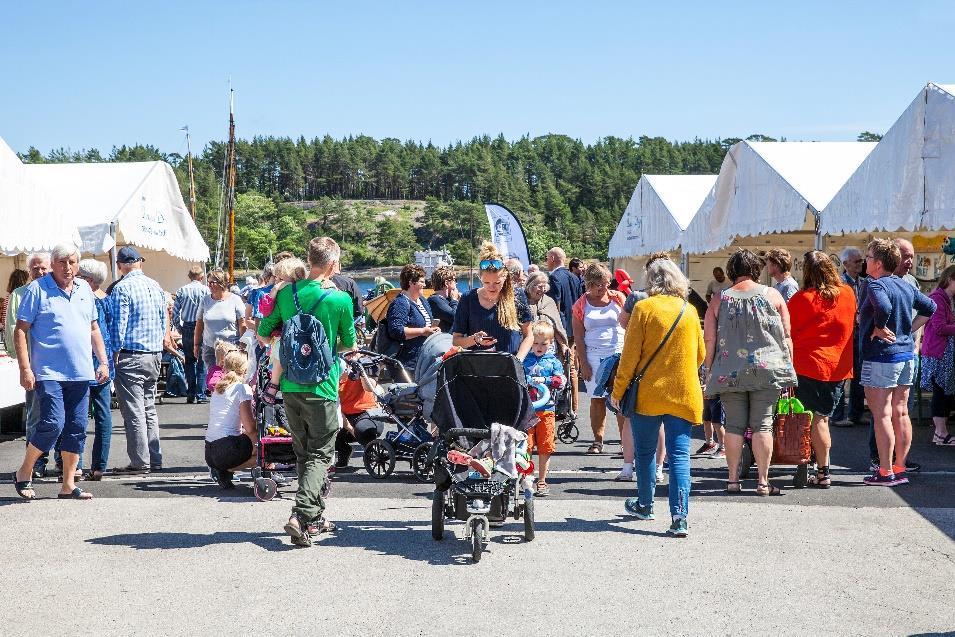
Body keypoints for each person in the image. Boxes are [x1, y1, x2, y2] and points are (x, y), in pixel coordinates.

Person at [257, 236, 356, 547]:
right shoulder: (340, 300)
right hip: (322, 386)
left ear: (309, 260)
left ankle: (315, 519)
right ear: (332, 264)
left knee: (304, 453)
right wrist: (327, 344)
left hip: (290, 386)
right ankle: (300, 515)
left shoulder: (288, 292)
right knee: (320, 454)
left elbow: (262, 331)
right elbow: (349, 344)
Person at [610, 258, 703, 536]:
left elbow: (629, 357)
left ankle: (645, 504)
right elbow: (700, 355)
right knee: (679, 456)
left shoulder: (643, 308)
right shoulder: (689, 310)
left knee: (646, 452)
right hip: (683, 393)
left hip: (648, 395)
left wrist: (618, 391)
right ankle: (679, 518)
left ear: (651, 281)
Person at [13, 244, 109, 500]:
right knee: (52, 423)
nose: (68, 267)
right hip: (49, 372)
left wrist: (103, 361)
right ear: (53, 264)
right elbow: (20, 330)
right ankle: (25, 470)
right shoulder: (37, 289)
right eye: (62, 262)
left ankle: (68, 484)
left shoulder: (85, 291)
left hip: (80, 371)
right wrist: (25, 368)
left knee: (77, 427)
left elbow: (93, 328)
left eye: (72, 262)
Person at [704, 249, 797, 495]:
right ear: (757, 269)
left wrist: (708, 373)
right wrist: (789, 370)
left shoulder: (718, 299)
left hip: (729, 371)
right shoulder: (774, 295)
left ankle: (733, 480)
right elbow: (787, 337)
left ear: (732, 270)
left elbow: (710, 341)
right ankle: (763, 482)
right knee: (763, 426)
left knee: (733, 425)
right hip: (767, 370)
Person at [859, 239, 935, 486]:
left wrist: (880, 327)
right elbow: (930, 306)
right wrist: (909, 330)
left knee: (882, 414)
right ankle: (899, 467)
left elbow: (883, 305)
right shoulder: (905, 286)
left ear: (878, 263)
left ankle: (885, 471)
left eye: (868, 257)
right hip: (905, 355)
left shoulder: (876, 285)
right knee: (901, 412)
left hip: (881, 356)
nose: (866, 261)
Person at [787, 250, 857, 488]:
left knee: (808, 419)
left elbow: (788, 333)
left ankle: (812, 466)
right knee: (822, 419)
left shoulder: (801, 299)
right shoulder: (848, 294)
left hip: (807, 365)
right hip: (837, 367)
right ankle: (823, 469)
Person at [109, 246, 167, 474]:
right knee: (148, 409)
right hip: (153, 355)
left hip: (132, 355)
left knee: (134, 411)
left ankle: (140, 461)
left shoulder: (122, 288)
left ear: (120, 265)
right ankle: (154, 458)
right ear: (139, 262)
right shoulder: (155, 285)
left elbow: (118, 327)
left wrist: (113, 356)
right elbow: (164, 321)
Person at [573, 263, 634, 481]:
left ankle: (623, 442)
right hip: (593, 356)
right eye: (598, 285)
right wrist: (584, 364)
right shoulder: (581, 304)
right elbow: (578, 337)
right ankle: (597, 440)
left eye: (606, 283)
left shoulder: (618, 298)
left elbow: (631, 325)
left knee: (620, 400)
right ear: (589, 285)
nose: (603, 288)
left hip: (618, 355)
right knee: (597, 399)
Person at [5, 254, 50, 477]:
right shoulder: (19, 294)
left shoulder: (56, 291)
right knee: (35, 414)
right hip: (32, 363)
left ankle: (60, 459)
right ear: (29, 270)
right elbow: (13, 326)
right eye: (35, 268)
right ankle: (35, 463)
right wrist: (21, 362)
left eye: (43, 268)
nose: (40, 272)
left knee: (57, 414)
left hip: (54, 364)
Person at [452, 242, 534, 358]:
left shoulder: (517, 296)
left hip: (509, 368)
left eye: (497, 282)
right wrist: (474, 339)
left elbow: (529, 335)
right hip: (477, 367)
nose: (492, 287)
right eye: (486, 282)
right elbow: (456, 340)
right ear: (480, 278)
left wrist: (518, 360)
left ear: (505, 277)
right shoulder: (468, 298)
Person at [76, 259, 115, 481]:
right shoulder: (107, 300)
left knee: (79, 415)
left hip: (85, 360)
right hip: (104, 360)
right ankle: (99, 466)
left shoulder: (81, 299)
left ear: (88, 280)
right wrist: (110, 359)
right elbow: (116, 332)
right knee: (103, 415)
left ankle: (77, 465)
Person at [257, 257, 311, 403]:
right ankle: (274, 382)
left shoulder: (284, 293)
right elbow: (264, 308)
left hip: (287, 334)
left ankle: (274, 383)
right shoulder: (308, 289)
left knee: (280, 349)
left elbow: (266, 315)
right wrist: (274, 291)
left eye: (280, 277)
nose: (276, 281)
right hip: (293, 335)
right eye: (276, 277)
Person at [523, 320, 566, 497]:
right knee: (526, 445)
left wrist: (547, 381)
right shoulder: (525, 359)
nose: (539, 347)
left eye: (544, 343)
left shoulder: (553, 361)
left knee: (545, 445)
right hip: (527, 410)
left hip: (547, 409)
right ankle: (525, 477)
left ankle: (542, 480)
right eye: (536, 343)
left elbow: (561, 381)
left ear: (550, 344)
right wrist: (527, 380)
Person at [204, 350, 258, 489]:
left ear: (224, 367)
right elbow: (250, 427)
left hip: (209, 452)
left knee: (245, 437)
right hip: (226, 450)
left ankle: (222, 472)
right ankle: (228, 470)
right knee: (262, 451)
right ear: (245, 370)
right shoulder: (242, 388)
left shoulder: (219, 388)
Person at [832, 246, 868, 427]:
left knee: (859, 375)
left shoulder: (864, 283)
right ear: (845, 264)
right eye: (857, 261)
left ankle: (856, 413)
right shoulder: (838, 285)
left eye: (862, 260)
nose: (861, 264)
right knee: (840, 376)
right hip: (844, 336)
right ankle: (837, 416)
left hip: (860, 335)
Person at [921, 265, 955, 445]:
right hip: (937, 353)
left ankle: (940, 433)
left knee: (946, 393)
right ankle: (941, 433)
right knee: (940, 392)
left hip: (946, 354)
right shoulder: (937, 299)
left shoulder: (949, 299)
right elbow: (939, 327)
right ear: (950, 279)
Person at [546, 247, 583, 414]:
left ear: (553, 258)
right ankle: (574, 406)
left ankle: (563, 407)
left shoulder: (554, 277)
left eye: (547, 258)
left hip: (562, 330)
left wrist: (556, 332)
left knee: (561, 367)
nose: (546, 262)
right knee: (572, 367)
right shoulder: (575, 277)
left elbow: (555, 306)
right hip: (575, 327)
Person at [386, 264, 439, 370]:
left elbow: (428, 323)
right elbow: (396, 330)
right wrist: (422, 331)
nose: (424, 285)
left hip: (424, 360)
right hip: (407, 363)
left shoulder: (423, 300)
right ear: (411, 282)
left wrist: (433, 329)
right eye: (421, 282)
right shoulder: (400, 303)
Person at [194, 269, 246, 372]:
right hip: (210, 348)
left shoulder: (235, 300)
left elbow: (242, 324)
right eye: (208, 282)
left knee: (230, 379)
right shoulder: (205, 300)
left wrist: (242, 345)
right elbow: (199, 325)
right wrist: (196, 344)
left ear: (222, 283)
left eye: (212, 282)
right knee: (213, 381)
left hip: (231, 348)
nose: (209, 285)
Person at [173, 265, 210, 404]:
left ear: (189, 276)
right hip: (203, 326)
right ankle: (200, 394)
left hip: (187, 326)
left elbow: (175, 312)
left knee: (189, 361)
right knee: (202, 361)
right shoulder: (206, 290)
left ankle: (191, 392)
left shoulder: (182, 290)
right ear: (201, 277)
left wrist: (179, 327)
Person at [524, 271, 568, 353]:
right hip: (527, 350)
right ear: (530, 286)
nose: (543, 290)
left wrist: (562, 345)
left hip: (548, 350)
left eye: (544, 287)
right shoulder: (521, 302)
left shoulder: (548, 302)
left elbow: (555, 326)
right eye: (540, 287)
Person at [427, 265, 460, 333]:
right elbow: (455, 317)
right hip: (444, 341)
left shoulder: (448, 300)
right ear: (446, 283)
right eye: (455, 280)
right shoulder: (435, 300)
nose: (456, 283)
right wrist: (454, 300)